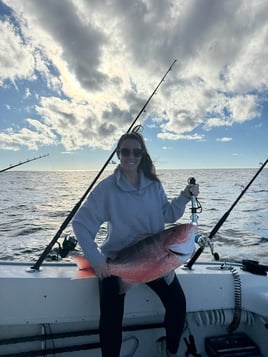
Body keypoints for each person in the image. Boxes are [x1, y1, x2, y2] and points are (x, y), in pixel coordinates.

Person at [72, 131, 199, 357]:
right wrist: (97, 260)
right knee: (111, 319)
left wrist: (185, 196)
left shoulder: (153, 185)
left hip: (156, 256)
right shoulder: (106, 189)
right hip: (118, 261)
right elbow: (81, 223)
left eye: (136, 152)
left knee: (178, 304)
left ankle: (171, 352)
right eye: (125, 151)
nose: (131, 156)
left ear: (142, 155)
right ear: (118, 154)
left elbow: (168, 214)